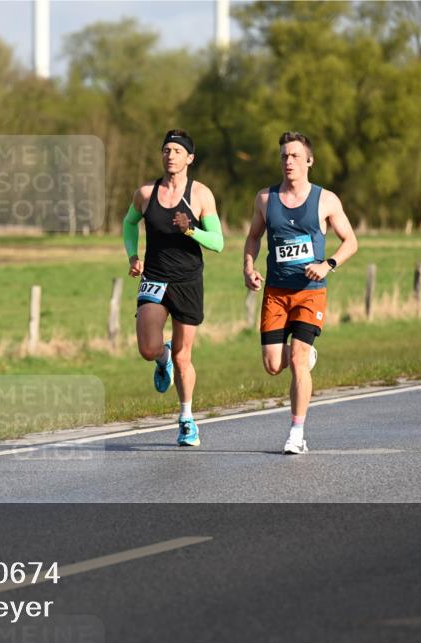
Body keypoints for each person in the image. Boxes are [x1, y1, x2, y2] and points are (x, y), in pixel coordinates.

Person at [243, 131, 358, 454]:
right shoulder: (265, 199)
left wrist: (328, 264)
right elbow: (253, 237)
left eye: (295, 156)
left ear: (309, 161)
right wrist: (248, 268)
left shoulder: (326, 200)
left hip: (310, 292)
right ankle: (306, 357)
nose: (288, 161)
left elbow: (351, 241)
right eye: (284, 156)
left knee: (297, 359)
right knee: (272, 365)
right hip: (276, 292)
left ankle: (296, 434)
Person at [122, 129, 224, 446]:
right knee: (147, 349)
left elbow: (218, 243)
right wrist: (133, 256)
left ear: (189, 158)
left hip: (187, 281)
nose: (170, 155)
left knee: (183, 358)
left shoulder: (201, 195)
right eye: (166, 150)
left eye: (177, 151)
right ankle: (160, 356)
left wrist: (190, 230)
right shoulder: (145, 193)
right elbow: (128, 223)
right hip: (154, 277)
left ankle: (186, 419)